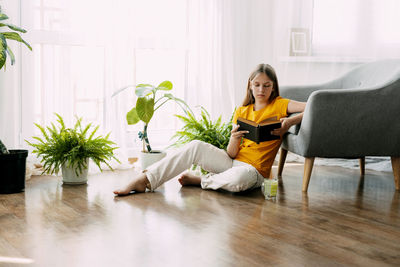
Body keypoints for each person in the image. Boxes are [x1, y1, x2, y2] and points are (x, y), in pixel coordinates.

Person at [113, 64, 306, 195]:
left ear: (273, 87)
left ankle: (201, 181)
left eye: (266, 85)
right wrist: (234, 138)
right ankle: (145, 179)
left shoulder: (281, 105)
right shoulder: (242, 110)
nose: (261, 90)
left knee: (241, 178)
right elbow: (231, 153)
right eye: (257, 85)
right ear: (250, 86)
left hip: (254, 172)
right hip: (232, 163)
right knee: (196, 146)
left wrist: (289, 122)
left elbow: (313, 106)